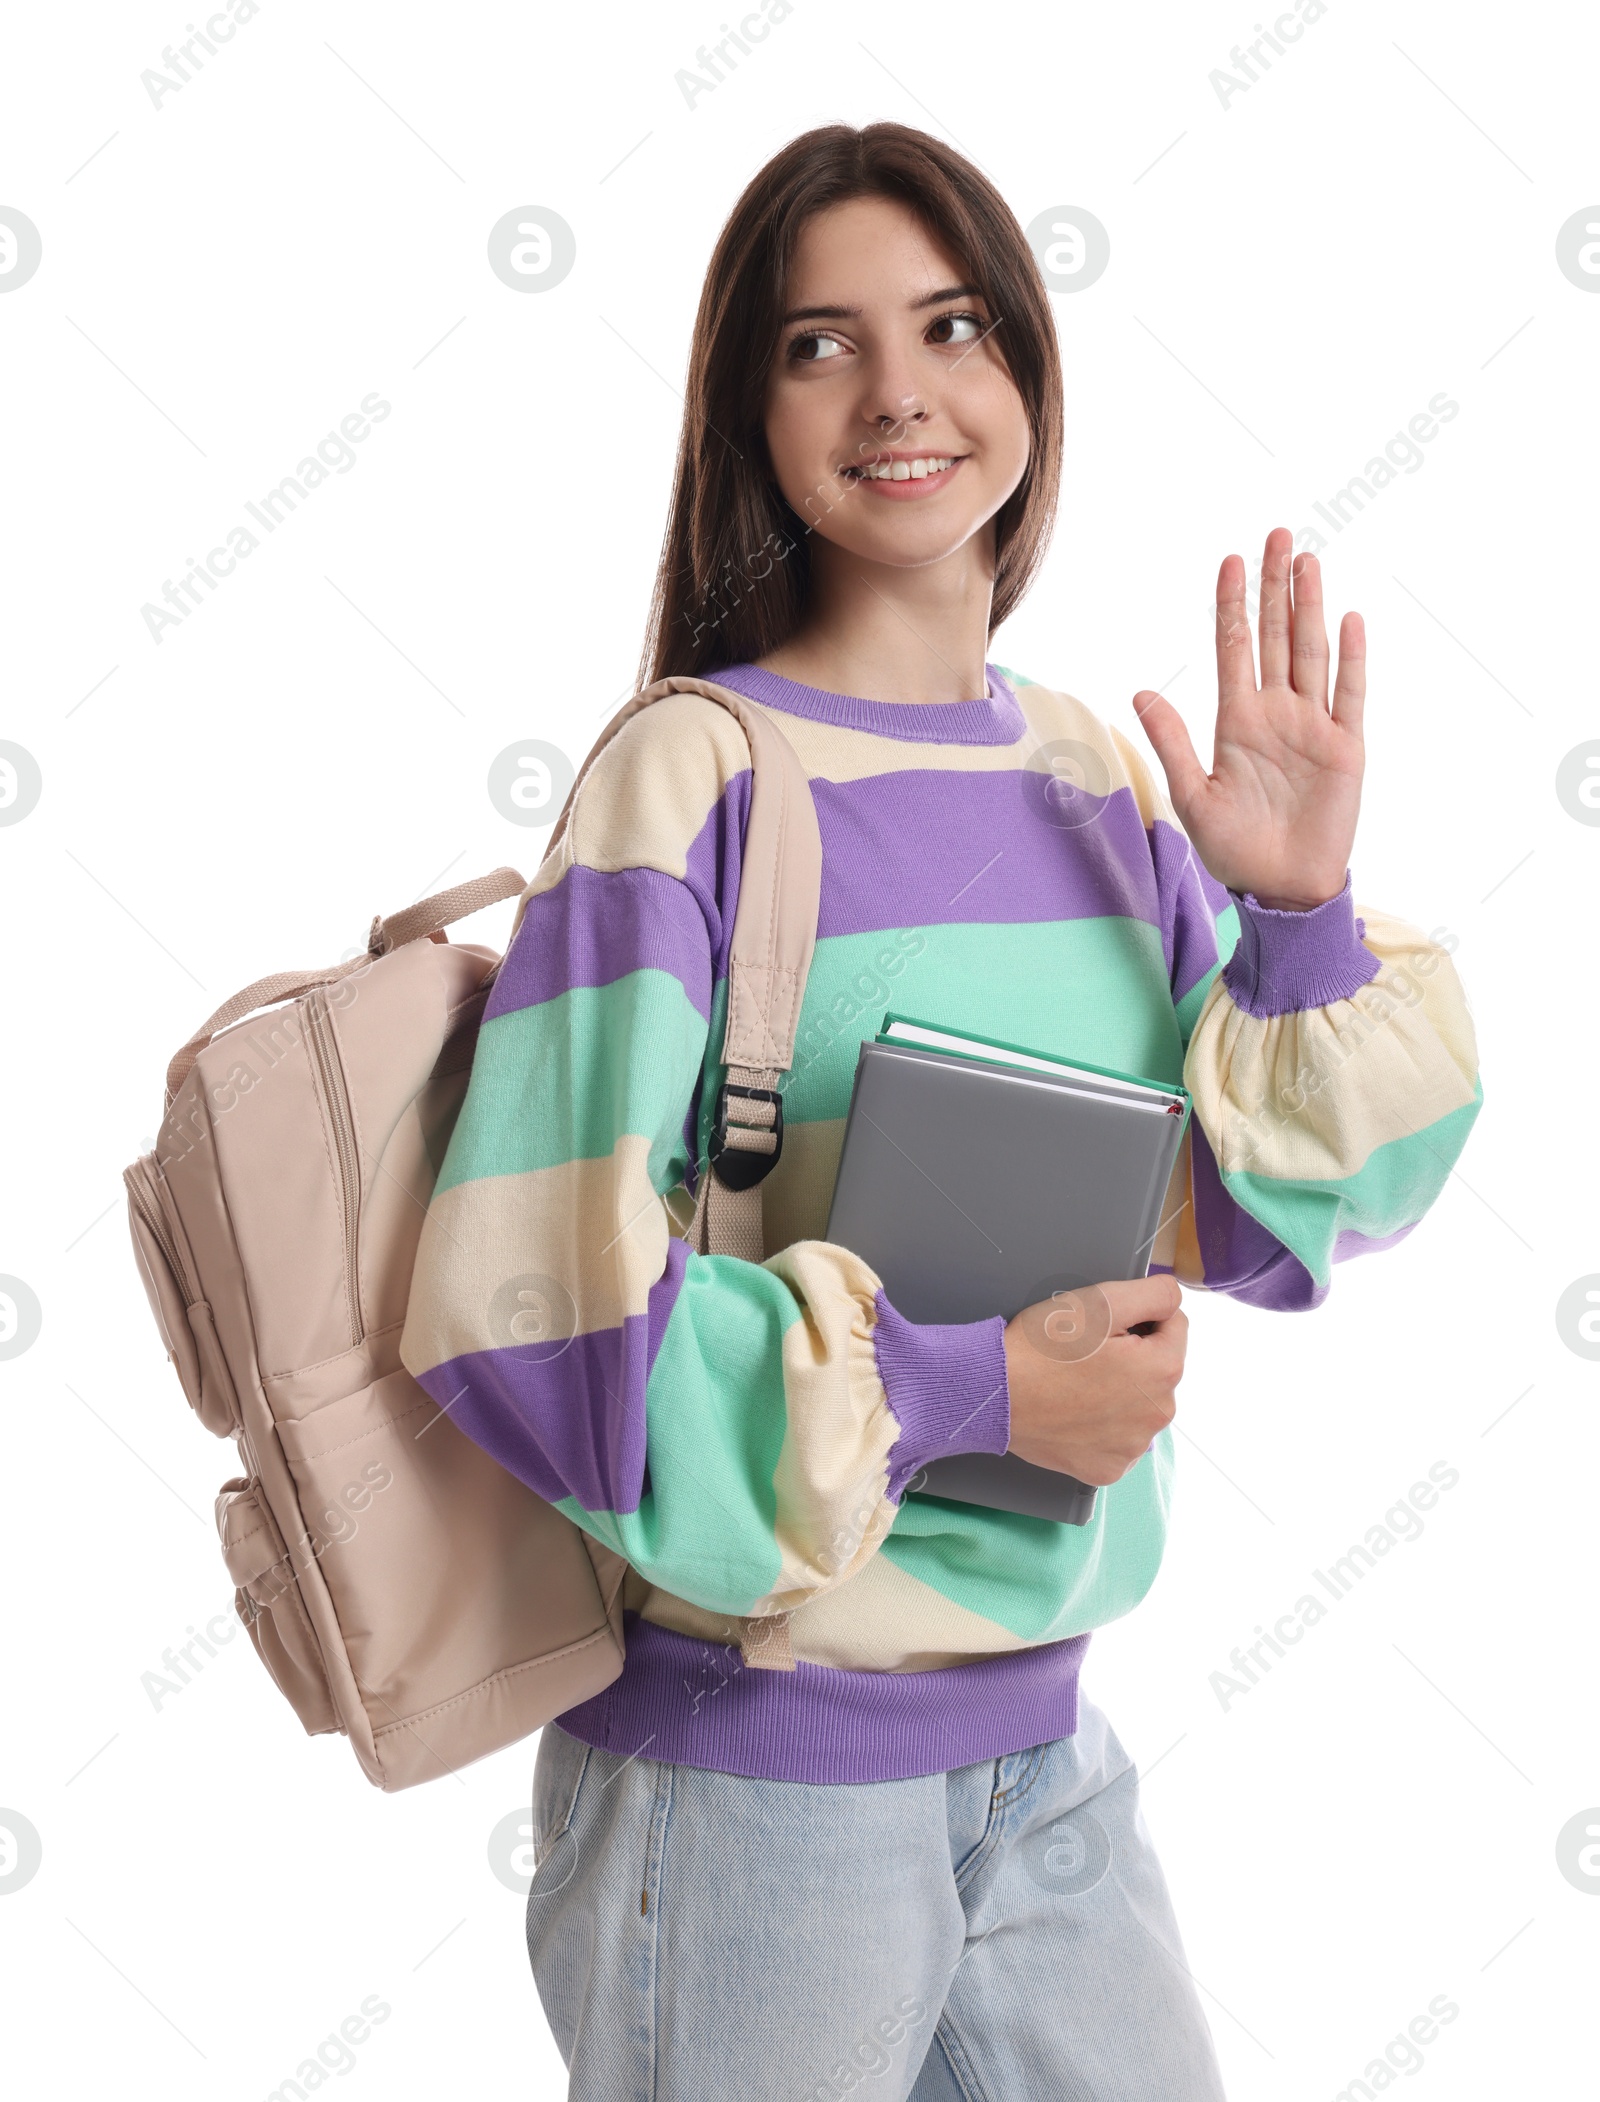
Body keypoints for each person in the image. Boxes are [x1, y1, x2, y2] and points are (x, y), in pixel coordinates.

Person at [400, 122, 1481, 2100]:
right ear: (748, 404)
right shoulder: (688, 783)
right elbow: (536, 1321)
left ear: (1024, 371)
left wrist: (1299, 919)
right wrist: (973, 1394)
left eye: (950, 323)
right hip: (748, 1783)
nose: (897, 392)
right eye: (818, 344)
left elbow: (1251, 1222)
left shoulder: (1086, 774)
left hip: (1045, 1760)